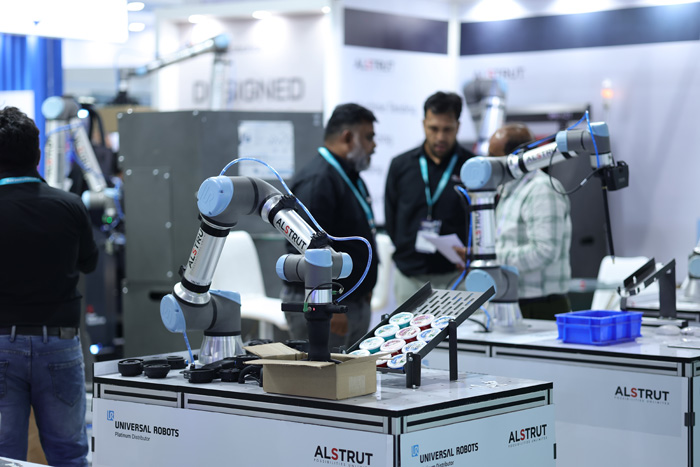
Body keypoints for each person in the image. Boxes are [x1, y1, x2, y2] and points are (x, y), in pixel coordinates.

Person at [0, 106, 98, 466]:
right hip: (59, 343)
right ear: (38, 155)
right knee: (69, 454)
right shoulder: (70, 206)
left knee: (3, 457)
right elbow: (89, 262)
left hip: (1, 344)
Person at [281, 103, 378, 350]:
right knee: (321, 373)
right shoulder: (319, 180)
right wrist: (329, 304)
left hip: (350, 302)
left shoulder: (349, 176)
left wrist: (364, 288)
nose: (374, 146)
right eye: (368, 138)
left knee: (350, 373)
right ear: (348, 137)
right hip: (326, 307)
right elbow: (308, 250)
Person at [384, 91, 475, 304]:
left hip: (456, 276)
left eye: (447, 129)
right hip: (410, 276)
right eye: (434, 128)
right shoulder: (401, 165)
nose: (440, 137)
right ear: (424, 124)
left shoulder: (472, 167)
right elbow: (391, 217)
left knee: (459, 328)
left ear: (458, 127)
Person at [488, 123, 572, 319]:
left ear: (514, 158)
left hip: (540, 305)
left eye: (493, 156)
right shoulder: (508, 189)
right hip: (514, 301)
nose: (488, 162)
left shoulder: (541, 189)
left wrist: (490, 260)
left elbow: (544, 252)